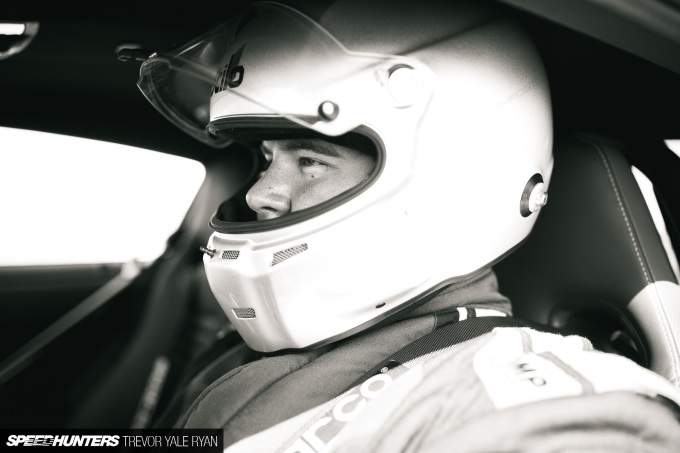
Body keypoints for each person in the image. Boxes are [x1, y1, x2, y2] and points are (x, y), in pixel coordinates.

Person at [137, 0, 680, 451]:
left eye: (311, 161)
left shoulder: (532, 399)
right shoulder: (256, 348)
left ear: (451, 176)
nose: (259, 195)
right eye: (266, 158)